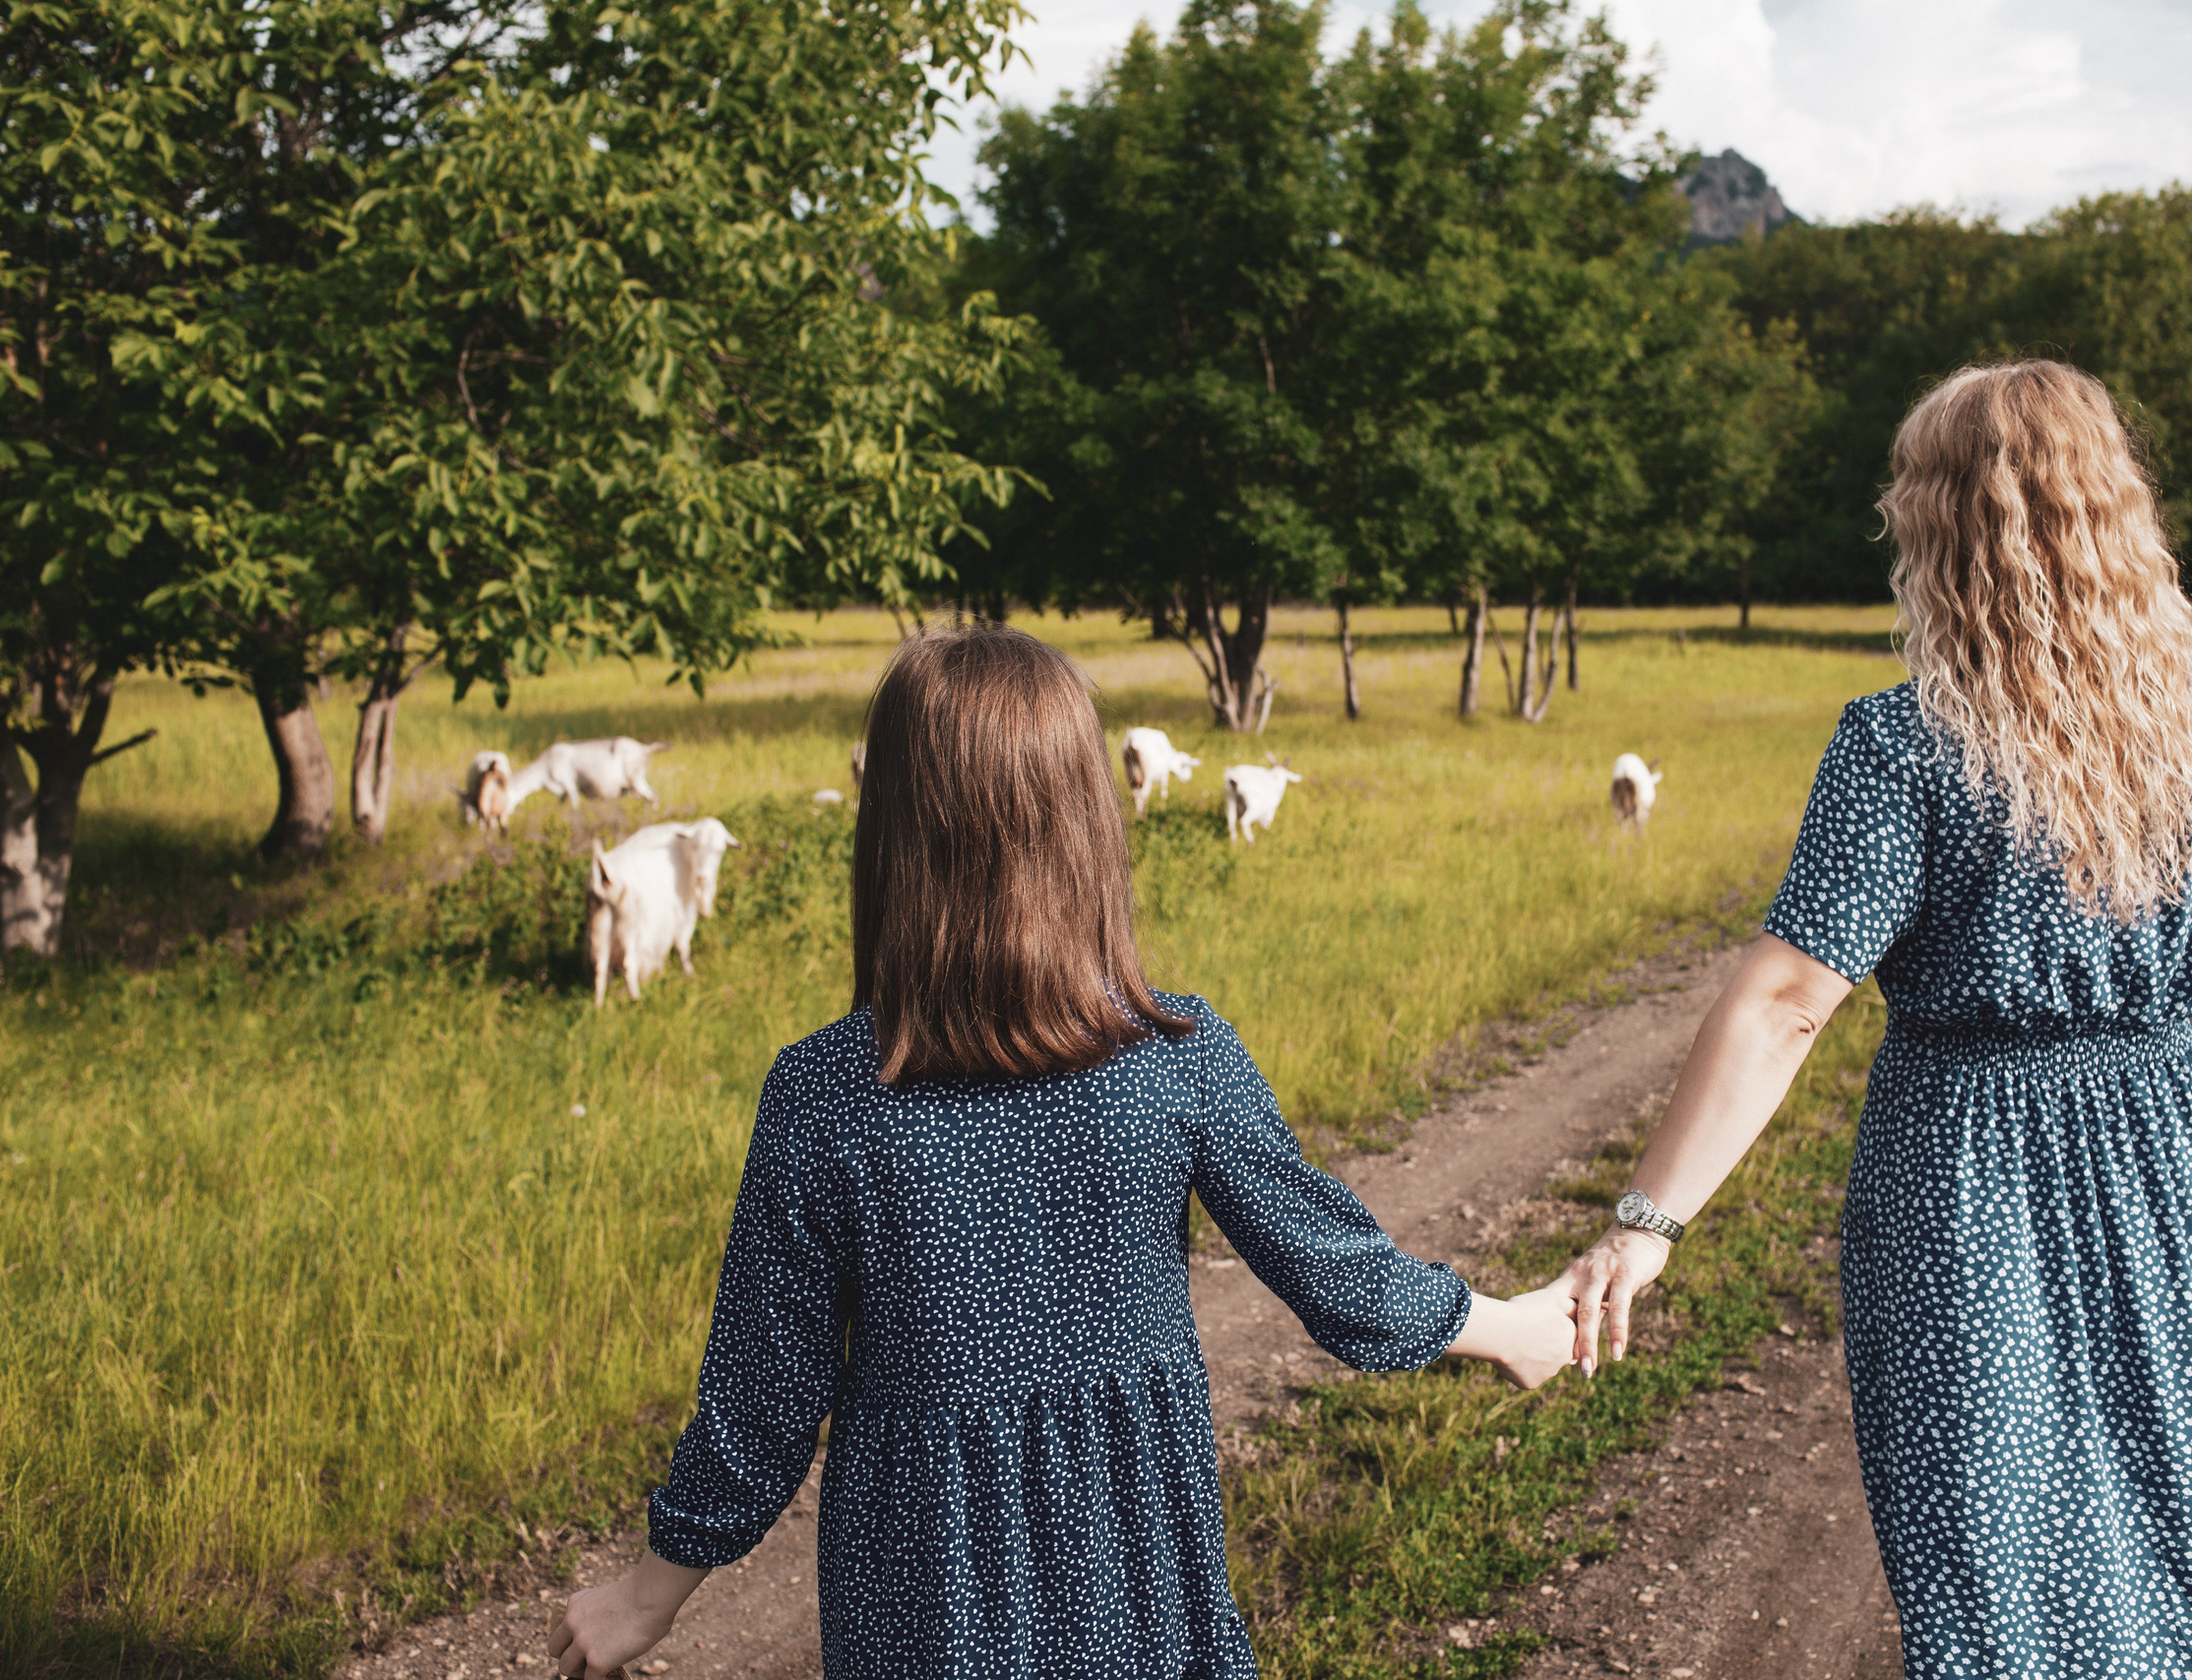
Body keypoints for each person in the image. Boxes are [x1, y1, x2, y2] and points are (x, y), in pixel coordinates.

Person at [548, 625, 1575, 1680]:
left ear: (892, 827)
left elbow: (763, 1400)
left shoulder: (823, 1096)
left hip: (921, 1611)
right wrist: (1511, 1328)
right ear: (1084, 818)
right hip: (1135, 1592)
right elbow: (1334, 1269)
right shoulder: (1177, 1058)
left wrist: (644, 1600)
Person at [1551, 360, 2192, 1676]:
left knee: (2001, 1577)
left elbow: (1788, 1000)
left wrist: (1644, 1222)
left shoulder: (1906, 746)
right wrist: (2167, 1175)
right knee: (2186, 1554)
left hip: (1971, 1185)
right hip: (2174, 1171)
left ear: (1947, 531)